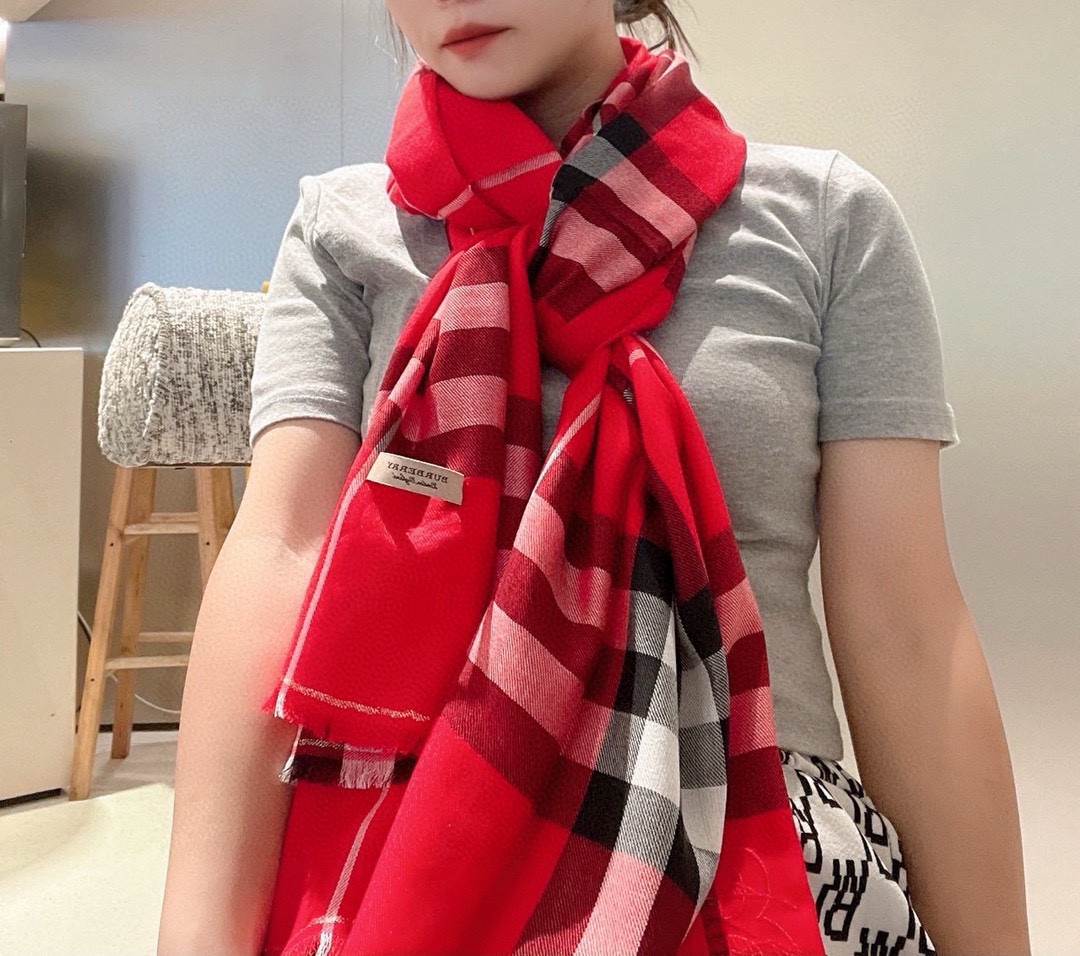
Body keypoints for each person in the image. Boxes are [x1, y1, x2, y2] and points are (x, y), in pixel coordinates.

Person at [158, 1, 1031, 953]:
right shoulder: (344, 231)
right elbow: (284, 552)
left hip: (751, 844)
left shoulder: (823, 219)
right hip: (413, 843)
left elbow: (907, 628)